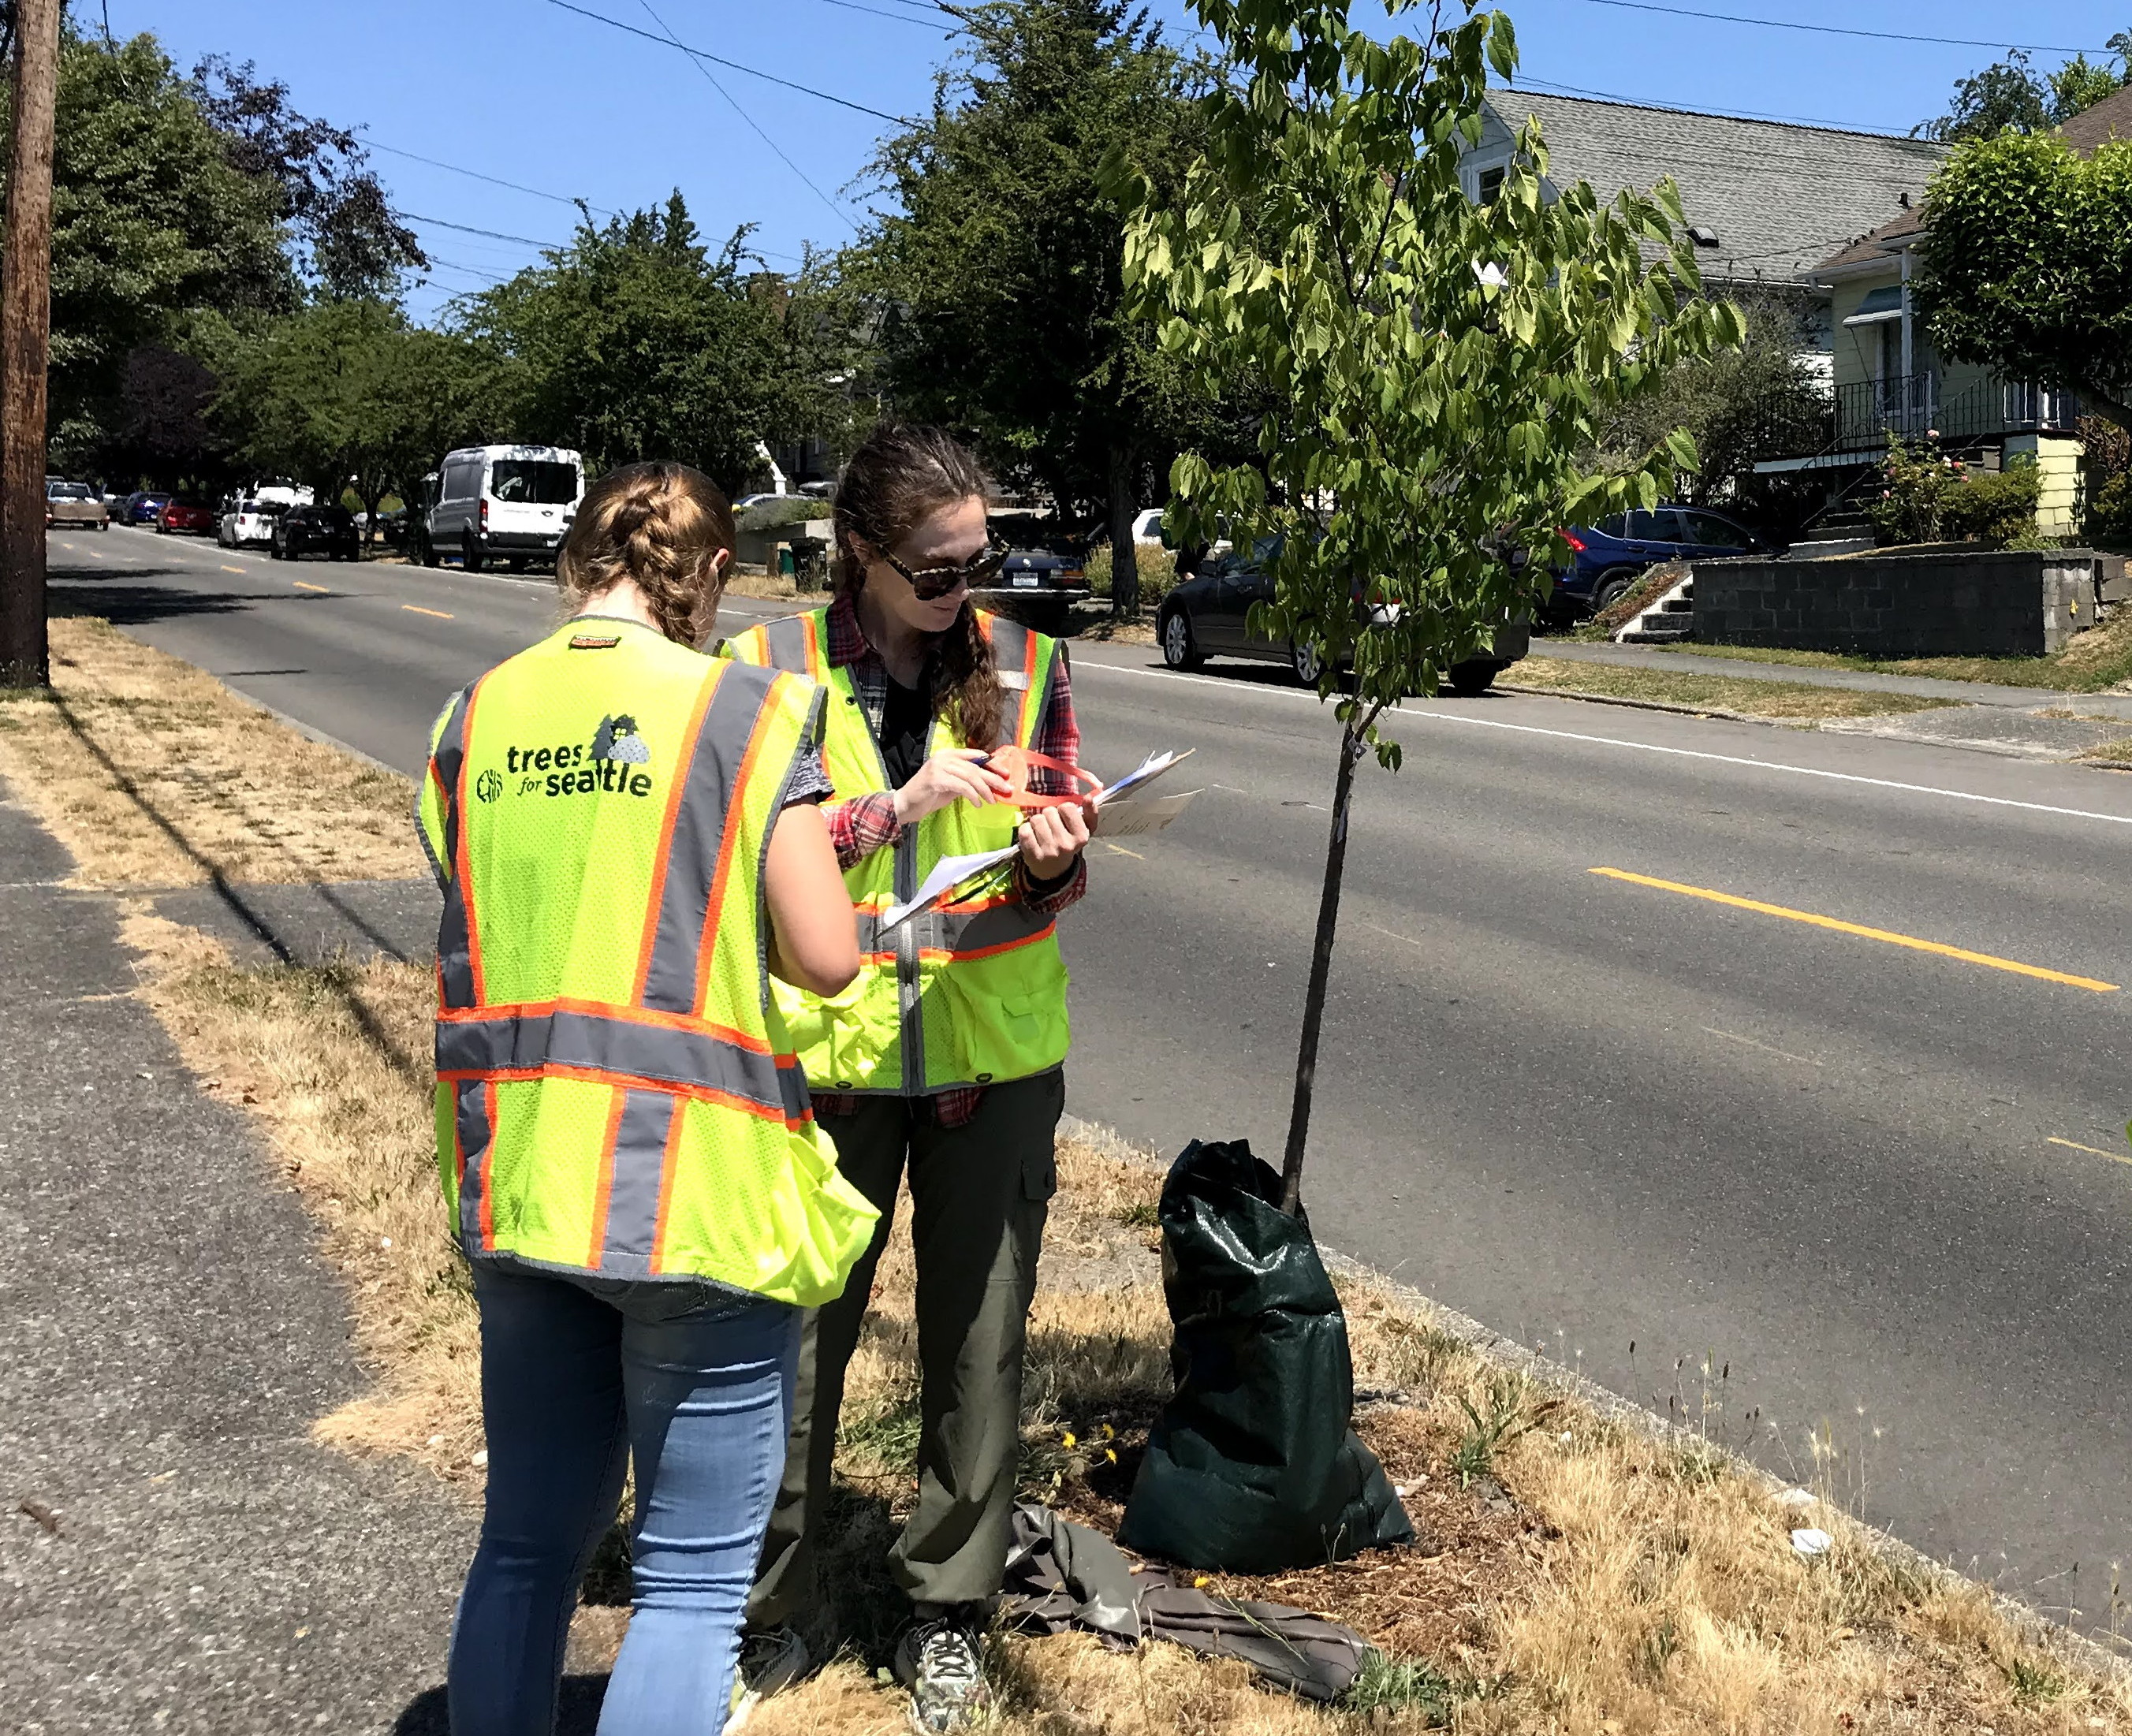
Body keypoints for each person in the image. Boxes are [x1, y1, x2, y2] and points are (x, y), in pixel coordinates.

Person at [419, 461, 879, 1736]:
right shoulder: (749, 711)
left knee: (523, 1547)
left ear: (581, 559)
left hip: (518, 1179)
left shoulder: (475, 715)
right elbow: (827, 954)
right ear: (715, 574)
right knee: (686, 1587)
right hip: (692, 1197)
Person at [721, 423, 1092, 1733]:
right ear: (861, 554)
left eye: (976, 563)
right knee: (793, 1349)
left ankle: (949, 1607)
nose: (961, 593)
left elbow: (1056, 875)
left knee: (980, 1347)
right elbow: (733, 847)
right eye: (935, 571)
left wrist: (1052, 856)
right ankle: (773, 1604)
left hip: (991, 1056)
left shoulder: (1027, 663)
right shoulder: (765, 669)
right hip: (824, 1062)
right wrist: (898, 805)